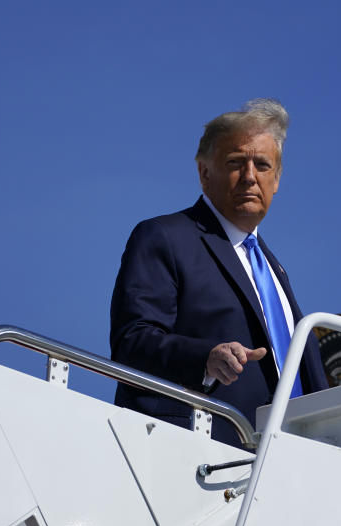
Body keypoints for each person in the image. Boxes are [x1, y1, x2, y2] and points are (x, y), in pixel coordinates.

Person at [110, 98, 327, 447]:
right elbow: (132, 343)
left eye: (262, 165)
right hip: (196, 455)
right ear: (204, 172)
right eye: (235, 162)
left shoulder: (275, 271)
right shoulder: (164, 238)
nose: (250, 177)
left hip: (291, 467)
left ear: (277, 180)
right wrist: (206, 360)